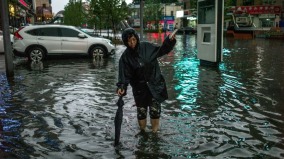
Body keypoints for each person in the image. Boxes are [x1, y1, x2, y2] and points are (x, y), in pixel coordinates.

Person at [116, 28, 176, 133]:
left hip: (154, 86)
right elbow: (124, 76)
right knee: (141, 113)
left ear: (137, 39)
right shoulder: (125, 58)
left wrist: (169, 41)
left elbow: (162, 50)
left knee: (155, 112)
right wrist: (121, 87)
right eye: (129, 41)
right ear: (125, 42)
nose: (132, 43)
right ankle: (143, 133)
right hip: (140, 90)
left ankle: (154, 134)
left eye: (134, 40)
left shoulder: (147, 47)